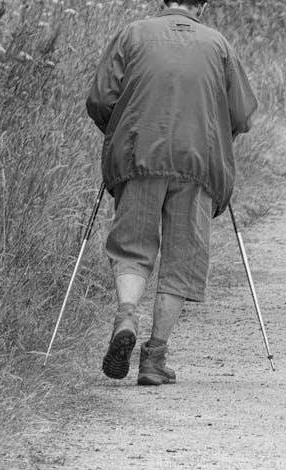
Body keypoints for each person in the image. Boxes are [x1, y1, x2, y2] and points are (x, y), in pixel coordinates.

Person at [86, 0, 258, 385]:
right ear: (204, 4)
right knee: (181, 259)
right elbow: (242, 114)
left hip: (139, 153)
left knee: (132, 247)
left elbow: (100, 99)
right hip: (197, 162)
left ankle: (126, 317)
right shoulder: (218, 44)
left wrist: (121, 133)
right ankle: (154, 357)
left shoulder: (132, 34)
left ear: (162, 1)